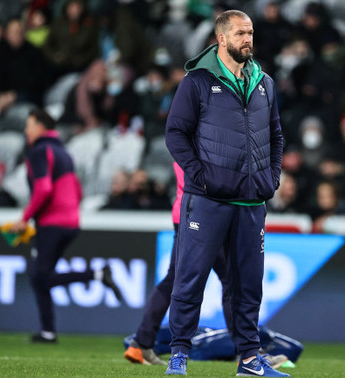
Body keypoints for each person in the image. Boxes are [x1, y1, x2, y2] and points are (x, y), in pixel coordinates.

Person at [164, 10, 287, 377]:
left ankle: (250, 360)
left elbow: (277, 136)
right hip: (208, 201)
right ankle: (179, 355)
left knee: (248, 286)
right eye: (240, 33)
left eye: (250, 33)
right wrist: (200, 177)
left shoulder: (264, 82)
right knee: (190, 279)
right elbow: (175, 134)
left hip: (252, 203)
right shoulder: (197, 82)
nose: (247, 39)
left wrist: (272, 178)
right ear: (221, 39)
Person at [9, 109, 122, 343]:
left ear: (41, 127)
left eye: (29, 125)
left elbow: (43, 189)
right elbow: (77, 190)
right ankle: (48, 331)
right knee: (41, 276)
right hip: (71, 221)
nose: (26, 130)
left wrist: (25, 218)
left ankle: (96, 275)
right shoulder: (62, 151)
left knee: (40, 277)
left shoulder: (39, 151)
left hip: (52, 222)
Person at [124, 162, 232, 365]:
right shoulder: (204, 136)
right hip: (204, 214)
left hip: (183, 211)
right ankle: (246, 351)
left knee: (173, 279)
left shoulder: (181, 136)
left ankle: (141, 343)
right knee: (231, 280)